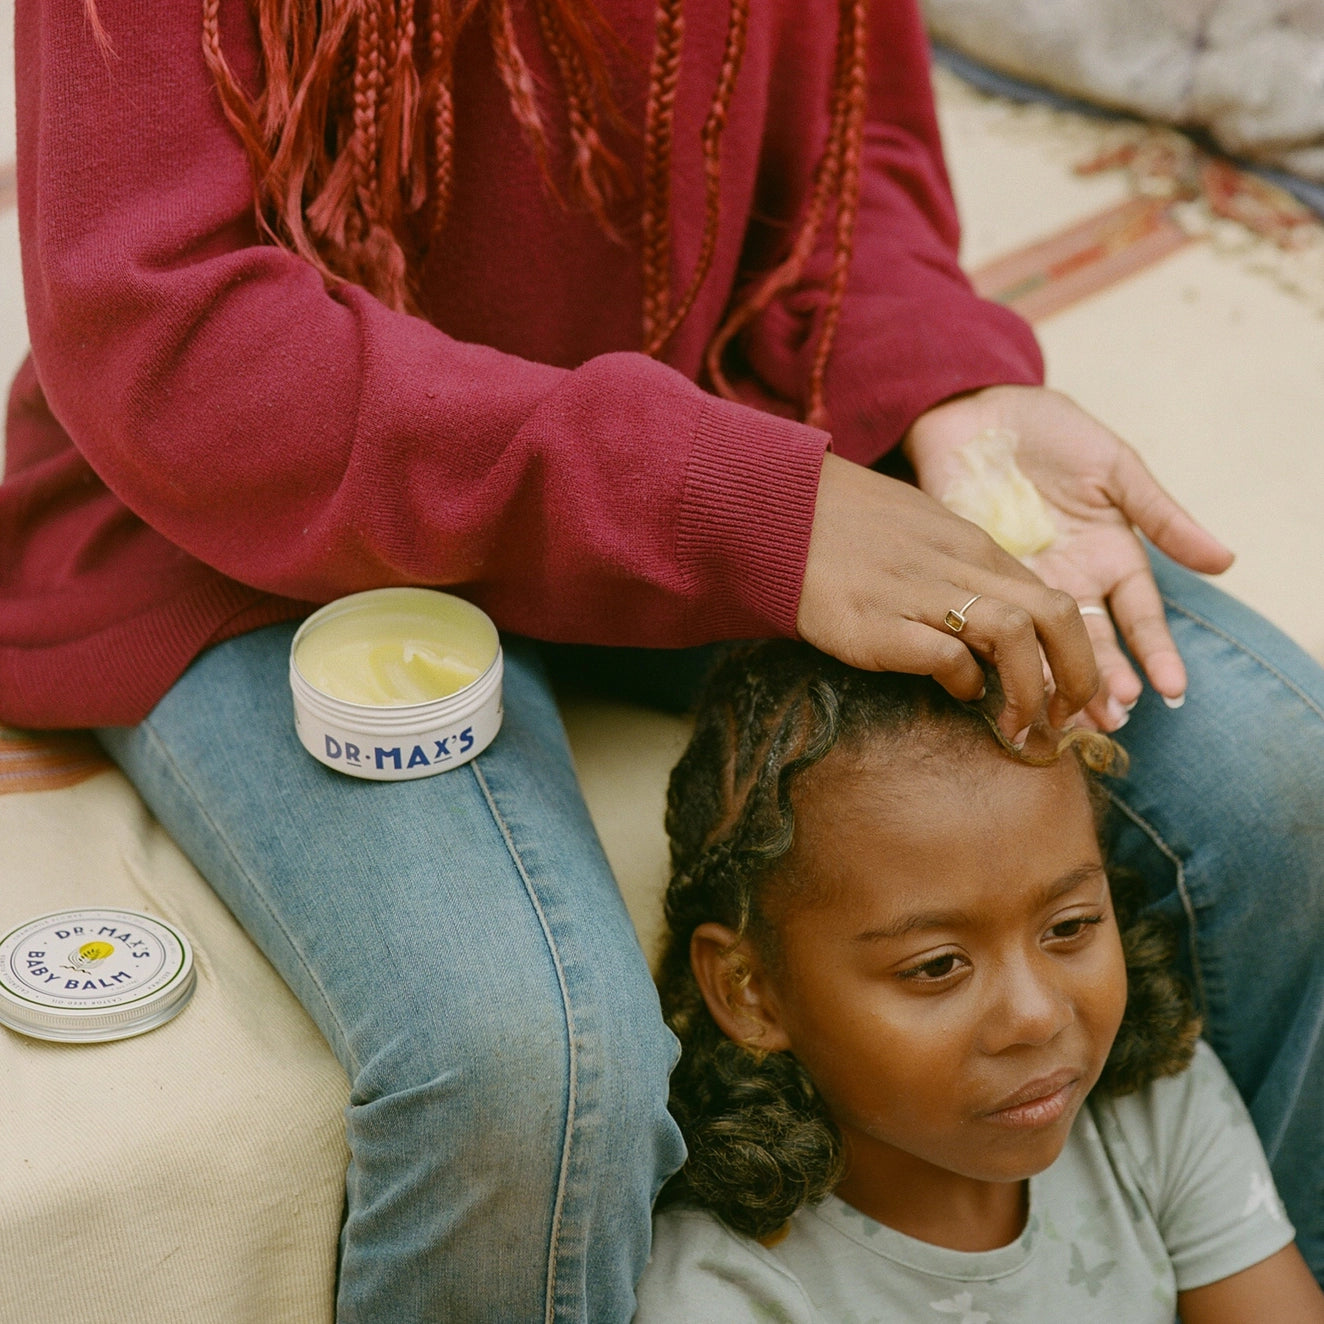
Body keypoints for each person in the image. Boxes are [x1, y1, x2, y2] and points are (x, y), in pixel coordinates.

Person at [1, 0, 1320, 1319]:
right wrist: (737, 505)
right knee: (524, 1067)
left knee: (1273, 774)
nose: (1034, 1017)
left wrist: (945, 383)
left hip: (719, 407)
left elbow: (850, 164)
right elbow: (167, 327)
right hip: (263, 518)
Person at [637, 640, 1324, 1322]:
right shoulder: (726, 1292)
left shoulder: (1152, 1107)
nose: (1038, 1017)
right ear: (748, 990)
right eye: (937, 966)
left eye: (1070, 926)